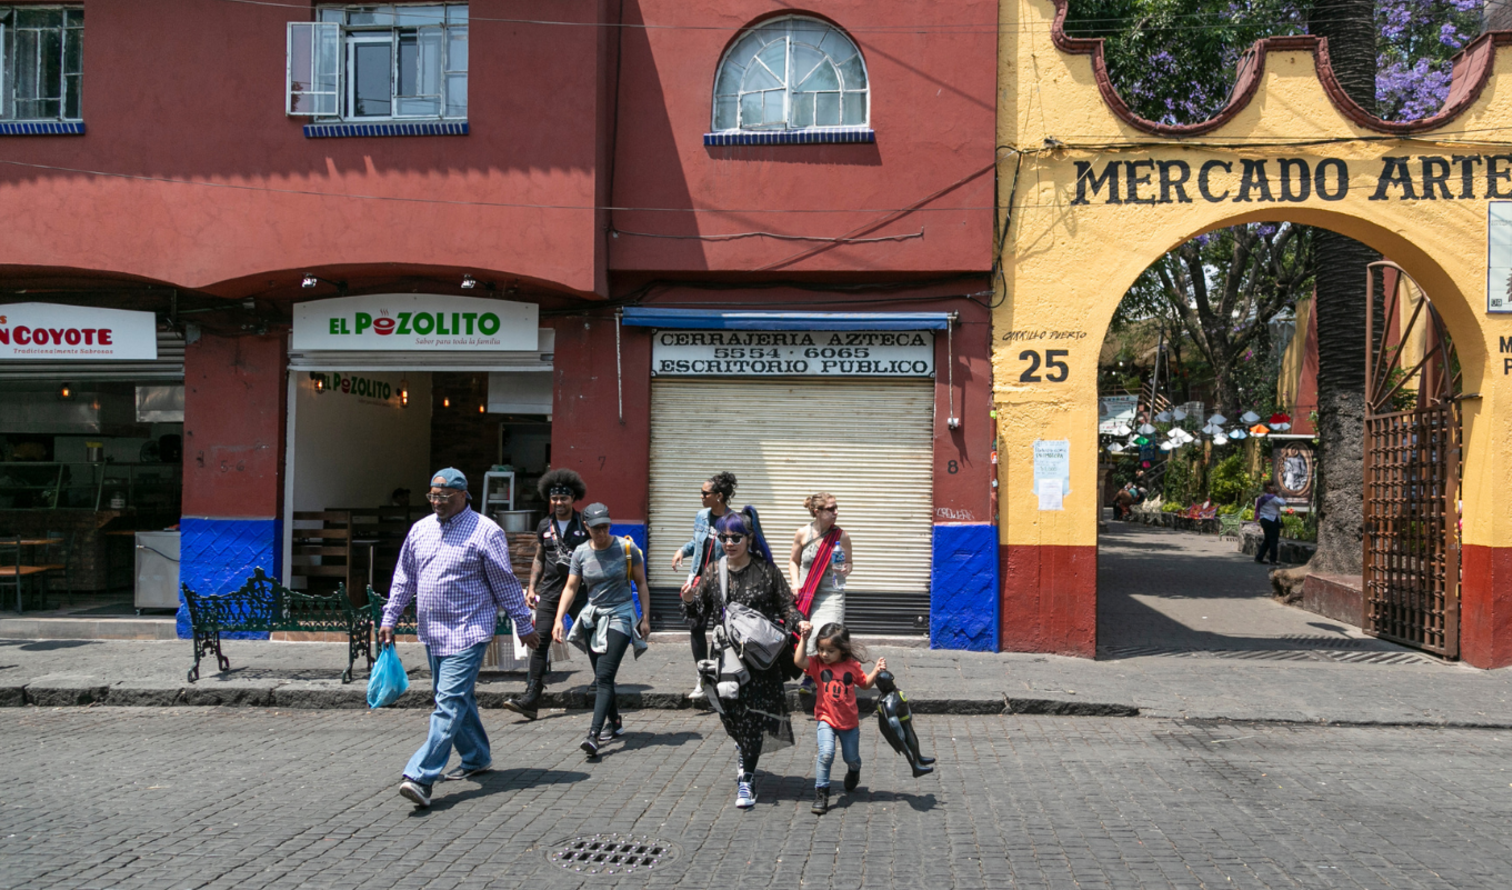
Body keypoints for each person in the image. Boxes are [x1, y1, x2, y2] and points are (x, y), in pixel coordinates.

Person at [379, 468, 538, 809]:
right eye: (433, 496)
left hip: (469, 631)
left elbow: (504, 582)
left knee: (447, 702)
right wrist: (390, 616)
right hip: (433, 632)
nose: (437, 502)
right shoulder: (420, 530)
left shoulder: (485, 532)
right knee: (455, 698)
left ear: (464, 495)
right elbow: (404, 576)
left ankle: (421, 776)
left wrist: (523, 623)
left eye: (445, 497)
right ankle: (477, 756)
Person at [682, 507, 810, 809]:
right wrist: (689, 600)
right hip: (726, 657)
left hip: (760, 658)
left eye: (736, 537)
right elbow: (699, 614)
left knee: (752, 717)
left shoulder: (766, 570)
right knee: (731, 715)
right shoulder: (714, 571)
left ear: (749, 538)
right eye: (724, 537)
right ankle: (744, 747)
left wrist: (799, 622)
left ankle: (747, 780)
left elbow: (786, 607)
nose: (729, 542)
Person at [552, 502, 651, 759]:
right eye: (596, 528)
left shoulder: (627, 548)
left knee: (604, 677)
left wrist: (645, 618)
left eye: (606, 526)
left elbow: (641, 583)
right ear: (586, 526)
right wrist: (559, 619)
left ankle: (593, 735)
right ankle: (615, 721)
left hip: (621, 615)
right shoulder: (581, 553)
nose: (602, 532)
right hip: (593, 617)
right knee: (601, 674)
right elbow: (571, 588)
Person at [503, 468, 591, 720]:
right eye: (554, 499)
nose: (558, 503)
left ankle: (602, 682)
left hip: (580, 592)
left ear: (573, 498)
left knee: (593, 636)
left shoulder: (584, 523)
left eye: (563, 498)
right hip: (550, 592)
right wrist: (531, 588)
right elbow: (539, 558)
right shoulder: (544, 524)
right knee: (539, 640)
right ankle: (531, 697)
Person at [795, 621, 885, 815]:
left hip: (849, 723)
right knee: (826, 754)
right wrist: (804, 638)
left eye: (830, 650)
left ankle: (854, 769)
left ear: (843, 650)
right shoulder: (817, 664)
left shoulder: (851, 666)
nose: (824, 654)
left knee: (850, 757)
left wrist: (876, 671)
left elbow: (865, 685)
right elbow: (799, 661)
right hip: (825, 718)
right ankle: (822, 793)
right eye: (821, 649)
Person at [671, 471, 737, 700]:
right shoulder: (701, 516)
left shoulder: (733, 521)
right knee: (696, 628)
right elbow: (696, 542)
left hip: (722, 584)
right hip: (697, 582)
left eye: (704, 493)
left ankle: (713, 676)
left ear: (718, 496)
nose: (700, 496)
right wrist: (682, 550)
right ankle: (702, 676)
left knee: (719, 632)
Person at [788, 492, 853, 694]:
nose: (836, 512)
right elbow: (794, 561)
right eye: (831, 509)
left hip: (832, 593)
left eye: (836, 508)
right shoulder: (802, 533)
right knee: (808, 634)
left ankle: (830, 677)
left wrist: (845, 569)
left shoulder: (841, 536)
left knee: (828, 635)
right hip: (808, 593)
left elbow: (849, 563)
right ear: (817, 512)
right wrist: (795, 584)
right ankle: (810, 677)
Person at [1254, 482, 1284, 566]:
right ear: (1269, 487)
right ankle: (1273, 560)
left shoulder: (1261, 497)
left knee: (1267, 540)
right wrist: (1279, 494)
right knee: (1273, 540)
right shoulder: (1272, 497)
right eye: (1273, 485)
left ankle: (1259, 557)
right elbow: (1283, 503)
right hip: (1272, 519)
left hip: (1264, 519)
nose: (1275, 487)